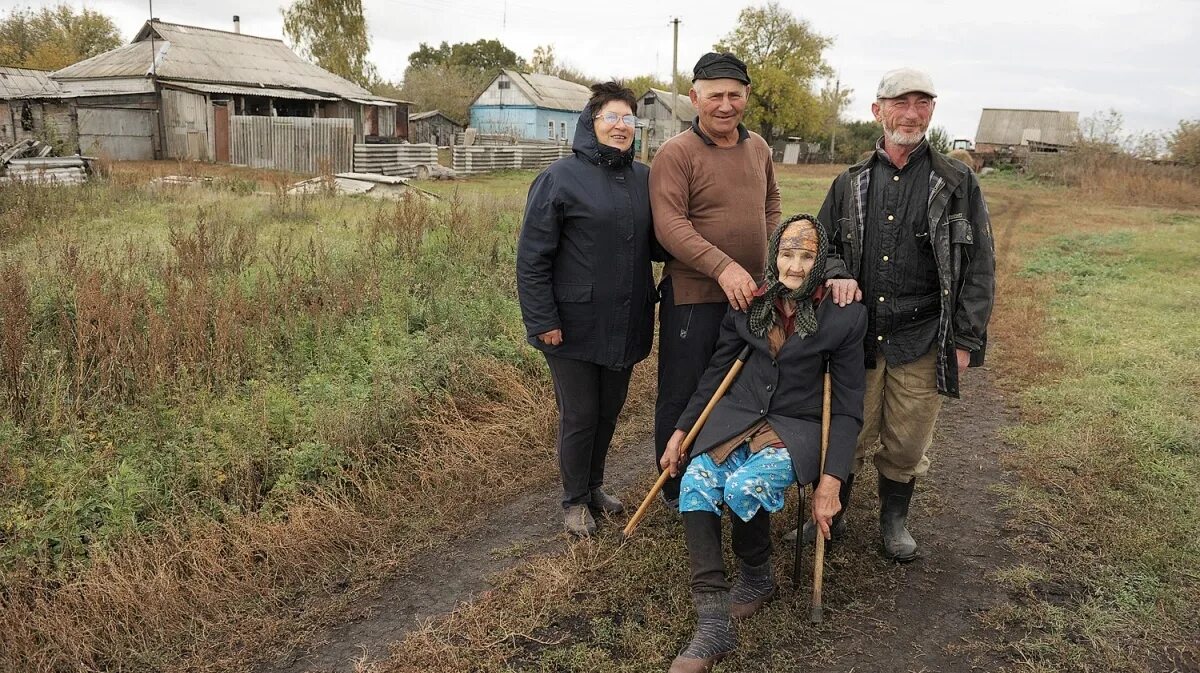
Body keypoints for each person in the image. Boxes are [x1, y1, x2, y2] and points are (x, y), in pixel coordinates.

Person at [801, 67, 996, 562]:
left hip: (924, 335)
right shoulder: (851, 183)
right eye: (900, 103)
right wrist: (839, 271)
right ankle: (833, 513)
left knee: (908, 439)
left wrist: (967, 340)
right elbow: (822, 247)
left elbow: (979, 265)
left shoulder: (955, 182)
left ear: (932, 110)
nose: (911, 114)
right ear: (878, 110)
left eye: (922, 104)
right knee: (849, 430)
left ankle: (894, 520)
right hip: (860, 337)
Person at [659, 215, 866, 673]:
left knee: (744, 487)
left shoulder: (844, 313)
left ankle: (756, 576)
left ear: (820, 261)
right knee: (695, 480)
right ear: (774, 255)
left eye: (806, 256)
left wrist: (830, 483)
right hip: (739, 415)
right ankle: (712, 624)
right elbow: (716, 372)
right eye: (787, 255)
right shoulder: (751, 303)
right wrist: (682, 431)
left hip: (797, 427)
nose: (794, 266)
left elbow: (849, 408)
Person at [516, 82, 656, 537]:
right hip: (572, 326)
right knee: (579, 414)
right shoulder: (559, 178)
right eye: (610, 118)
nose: (620, 127)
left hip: (626, 318)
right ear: (590, 122)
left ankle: (595, 487)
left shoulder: (643, 178)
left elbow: (659, 242)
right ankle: (574, 501)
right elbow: (532, 257)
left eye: (628, 119)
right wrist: (543, 320)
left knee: (609, 411)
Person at [651, 52, 781, 507]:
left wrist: (774, 266)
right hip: (694, 297)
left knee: (737, 389)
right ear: (694, 98)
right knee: (685, 390)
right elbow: (670, 225)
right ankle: (672, 488)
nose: (725, 105)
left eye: (734, 95)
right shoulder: (676, 153)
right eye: (714, 96)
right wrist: (723, 267)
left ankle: (718, 475)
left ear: (746, 96)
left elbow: (771, 208)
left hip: (752, 297)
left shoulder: (759, 148)